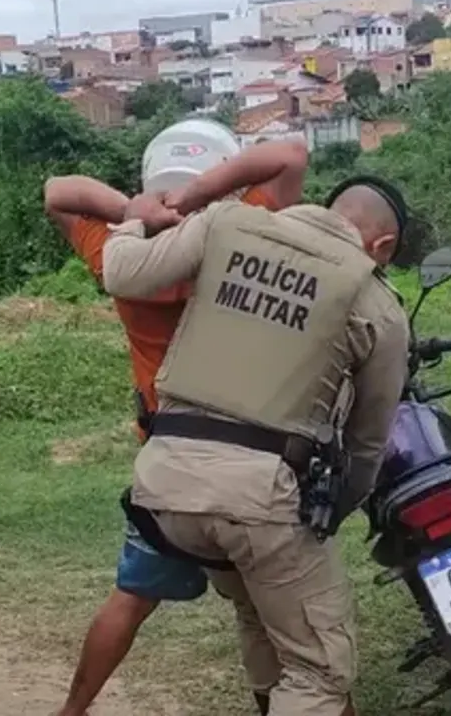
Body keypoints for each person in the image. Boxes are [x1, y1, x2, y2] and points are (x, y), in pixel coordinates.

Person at [100, 175, 411, 716]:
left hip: (165, 483)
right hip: (259, 500)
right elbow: (367, 444)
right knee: (318, 671)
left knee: (258, 611)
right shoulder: (375, 300)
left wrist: (132, 219)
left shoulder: (226, 223)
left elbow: (121, 271)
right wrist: (331, 514)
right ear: (381, 247)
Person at [43, 120, 309, 716]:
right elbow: (289, 155)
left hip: (166, 467)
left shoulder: (125, 256)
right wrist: (197, 199)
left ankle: (71, 711)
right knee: (275, 620)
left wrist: (136, 208)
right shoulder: (246, 240)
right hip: (248, 461)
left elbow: (57, 191)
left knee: (131, 599)